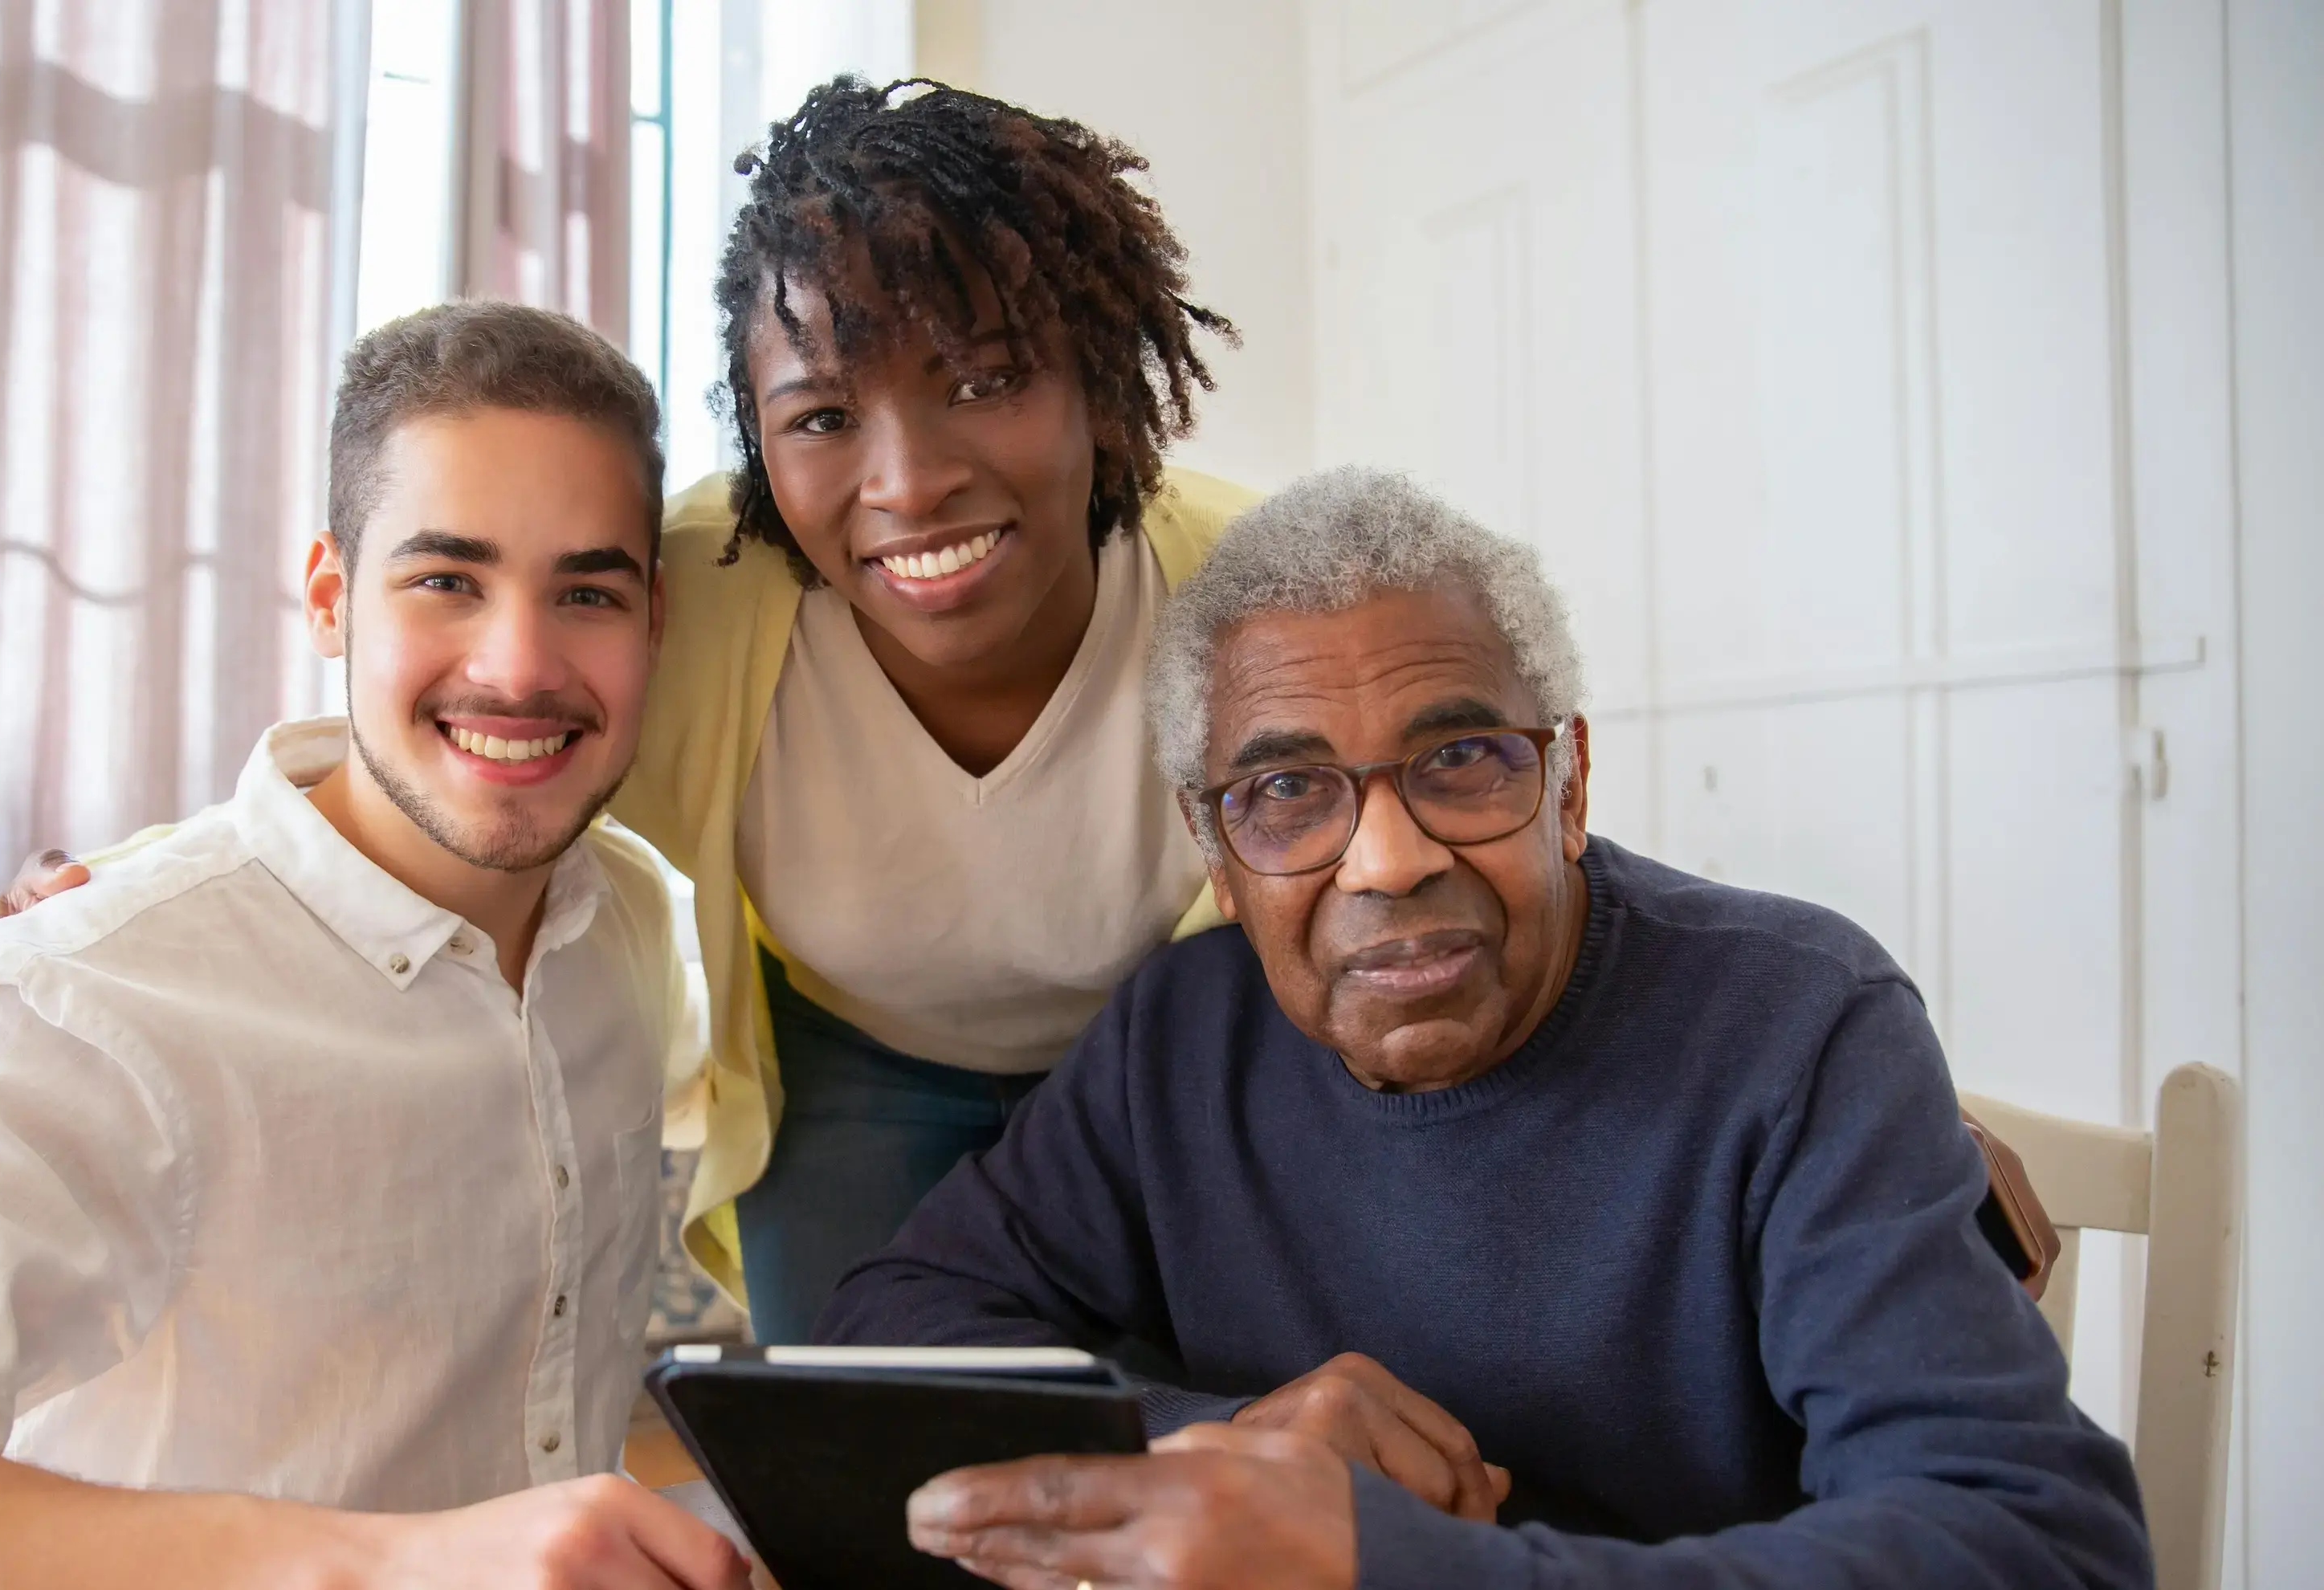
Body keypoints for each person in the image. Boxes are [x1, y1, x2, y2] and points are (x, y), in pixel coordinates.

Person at [0, 75, 1258, 1342]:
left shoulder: (1255, 596)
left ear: (1102, 381)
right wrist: (88, 904)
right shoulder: (696, 596)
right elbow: (427, 766)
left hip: (1164, 1054)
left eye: (984, 380)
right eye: (826, 418)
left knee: (1200, 1413)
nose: (906, 482)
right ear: (763, 440)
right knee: (869, 1452)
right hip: (861, 1063)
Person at [0, 304, 751, 1590]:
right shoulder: (105, 993)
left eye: (585, 591)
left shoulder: (624, 921)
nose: (518, 665)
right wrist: (383, 1566)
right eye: (446, 580)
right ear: (332, 600)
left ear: (656, 626)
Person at [822, 467, 2154, 1588]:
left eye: (1462, 761)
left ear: (1568, 784)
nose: (1387, 860)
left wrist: (1384, 1562)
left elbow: (2037, 1541)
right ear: (1214, 853)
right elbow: (891, 1326)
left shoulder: (1795, 1026)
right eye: (1288, 789)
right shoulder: (1184, 1037)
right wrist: (1225, 1439)